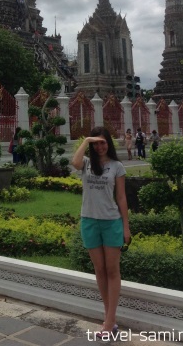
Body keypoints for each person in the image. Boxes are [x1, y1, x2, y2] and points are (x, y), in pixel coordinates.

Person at [72, 127, 131, 337]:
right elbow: (75, 162)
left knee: (112, 270)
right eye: (95, 143)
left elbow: (122, 198)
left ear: (109, 144)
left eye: (102, 142)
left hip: (111, 222)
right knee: (99, 270)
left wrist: (126, 226)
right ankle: (109, 318)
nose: (99, 147)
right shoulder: (87, 163)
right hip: (89, 221)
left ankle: (109, 322)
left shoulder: (117, 166)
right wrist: (86, 139)